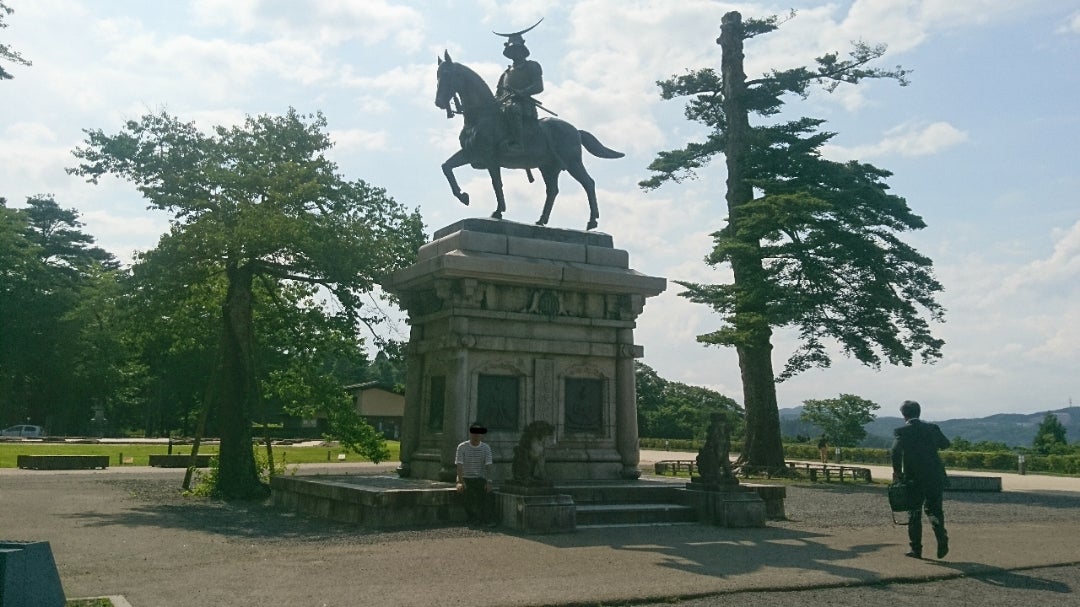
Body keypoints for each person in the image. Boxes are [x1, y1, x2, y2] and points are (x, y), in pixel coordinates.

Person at [891, 400, 951, 559]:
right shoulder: (932, 428)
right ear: (919, 412)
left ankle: (916, 549)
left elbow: (895, 452)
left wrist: (897, 472)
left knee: (914, 512)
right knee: (934, 509)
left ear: (904, 414)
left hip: (914, 477)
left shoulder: (902, 431)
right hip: (935, 475)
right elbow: (945, 444)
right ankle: (941, 537)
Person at [494, 23, 544, 152]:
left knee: (512, 108)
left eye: (517, 50)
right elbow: (498, 93)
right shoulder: (505, 73)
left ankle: (518, 143)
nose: (514, 53)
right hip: (504, 105)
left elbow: (538, 86)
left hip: (523, 106)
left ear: (522, 50)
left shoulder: (532, 66)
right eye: (512, 51)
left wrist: (522, 92)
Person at [455, 422, 496, 526]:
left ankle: (487, 519)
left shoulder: (486, 448)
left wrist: (489, 481)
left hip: (479, 478)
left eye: (479, 433)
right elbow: (459, 466)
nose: (476, 435)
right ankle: (473, 517)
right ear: (470, 433)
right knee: (465, 492)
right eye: (474, 432)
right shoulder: (462, 447)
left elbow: (489, 466)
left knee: (489, 493)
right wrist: (460, 481)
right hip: (465, 477)